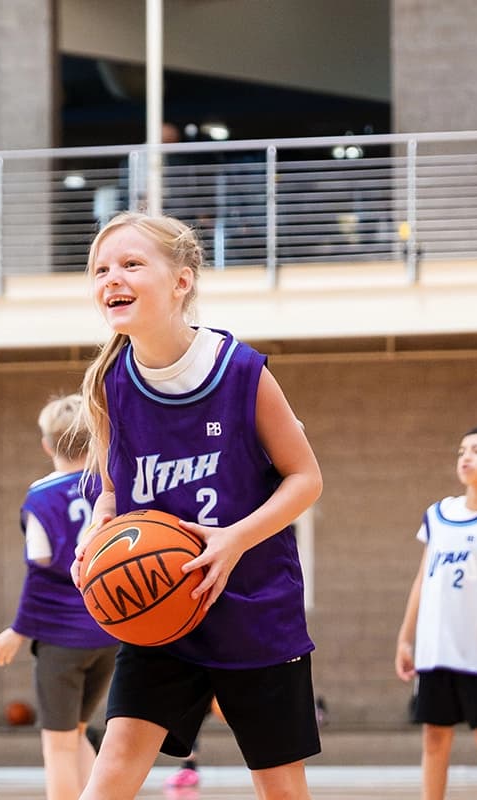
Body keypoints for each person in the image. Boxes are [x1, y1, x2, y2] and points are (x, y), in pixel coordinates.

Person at [68, 211, 324, 800]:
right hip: (160, 614)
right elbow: (114, 489)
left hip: (253, 611)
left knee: (281, 789)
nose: (112, 278)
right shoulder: (109, 382)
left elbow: (305, 479)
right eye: (100, 268)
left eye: (132, 264)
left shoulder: (240, 372)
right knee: (105, 784)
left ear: (181, 281)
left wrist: (232, 539)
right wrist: (98, 529)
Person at [0, 394, 119, 800]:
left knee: (58, 743)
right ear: (97, 439)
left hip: (63, 636)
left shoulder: (40, 497)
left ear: (47, 444)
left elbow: (40, 569)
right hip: (111, 630)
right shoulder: (113, 485)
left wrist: (18, 629)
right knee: (78, 733)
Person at [395, 426, 477, 800]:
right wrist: (405, 637)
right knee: (434, 737)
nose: (465, 457)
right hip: (437, 649)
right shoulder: (438, 514)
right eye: (462, 450)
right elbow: (423, 579)